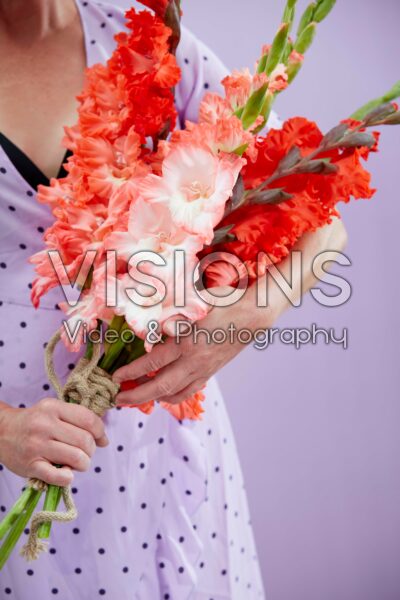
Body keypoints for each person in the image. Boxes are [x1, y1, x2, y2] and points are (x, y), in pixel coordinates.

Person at [0, 1, 347, 598]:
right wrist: (5, 433)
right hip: (16, 448)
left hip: (158, 447)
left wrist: (248, 316)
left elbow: (321, 221)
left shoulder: (145, 40)